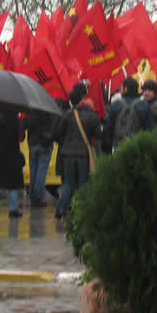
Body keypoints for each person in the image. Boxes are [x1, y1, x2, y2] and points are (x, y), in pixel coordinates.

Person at [54, 83, 100, 219]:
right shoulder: (92, 115)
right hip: (83, 154)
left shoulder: (67, 114)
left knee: (68, 182)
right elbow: (97, 134)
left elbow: (58, 132)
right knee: (83, 182)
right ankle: (82, 209)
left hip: (67, 153)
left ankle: (60, 209)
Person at [105, 77, 151, 150]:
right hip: (137, 146)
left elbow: (109, 127)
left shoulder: (116, 104)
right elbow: (148, 128)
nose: (120, 90)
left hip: (118, 145)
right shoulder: (144, 105)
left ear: (125, 89)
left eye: (121, 88)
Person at [25, 108, 56, 207]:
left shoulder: (30, 113)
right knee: (41, 172)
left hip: (32, 144)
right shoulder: (48, 113)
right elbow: (53, 128)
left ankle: (32, 196)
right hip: (45, 144)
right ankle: (38, 197)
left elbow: (26, 127)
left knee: (33, 171)